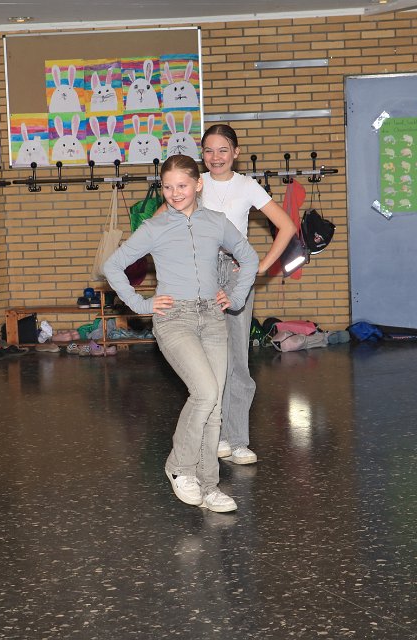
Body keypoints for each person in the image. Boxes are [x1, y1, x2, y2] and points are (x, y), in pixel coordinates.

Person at [103, 154, 259, 513]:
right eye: (168, 186)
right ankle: (179, 467)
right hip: (175, 319)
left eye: (182, 185)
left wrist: (235, 297)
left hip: (213, 318)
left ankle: (209, 487)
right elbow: (112, 265)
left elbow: (249, 258)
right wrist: (140, 304)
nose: (175, 193)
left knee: (214, 408)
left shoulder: (216, 222)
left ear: (198, 185)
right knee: (205, 393)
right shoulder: (155, 227)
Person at [198, 124, 299, 465]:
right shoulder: (195, 183)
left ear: (236, 152)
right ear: (202, 154)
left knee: (237, 361)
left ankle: (237, 439)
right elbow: (163, 221)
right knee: (207, 360)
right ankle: (214, 436)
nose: (216, 157)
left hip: (235, 272)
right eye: (209, 150)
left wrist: (260, 267)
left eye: (223, 150)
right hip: (202, 274)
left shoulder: (247, 186)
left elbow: (287, 226)